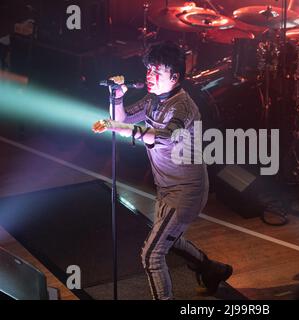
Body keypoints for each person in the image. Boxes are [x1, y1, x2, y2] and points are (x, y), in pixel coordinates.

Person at [92, 41, 232, 300]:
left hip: (187, 191)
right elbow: (119, 120)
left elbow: (165, 137)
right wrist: (117, 97)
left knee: (151, 255)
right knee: (171, 240)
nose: (149, 76)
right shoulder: (152, 100)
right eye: (148, 70)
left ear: (175, 77)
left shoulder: (183, 107)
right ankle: (211, 269)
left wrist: (124, 130)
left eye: (157, 71)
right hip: (166, 187)